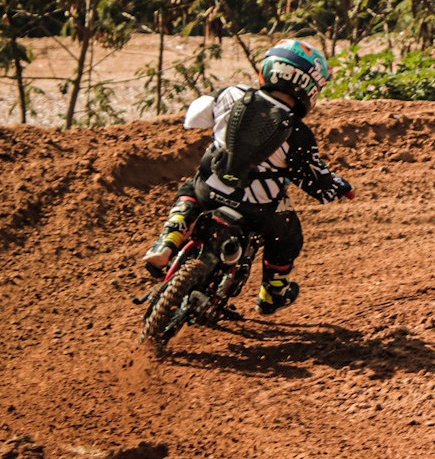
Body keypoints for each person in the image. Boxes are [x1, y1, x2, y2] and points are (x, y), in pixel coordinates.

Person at [141, 39, 354, 316]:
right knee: (289, 236)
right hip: (259, 209)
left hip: (211, 189)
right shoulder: (298, 134)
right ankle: (272, 293)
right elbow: (312, 179)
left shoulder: (231, 94)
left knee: (189, 190)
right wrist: (336, 185)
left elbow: (193, 118)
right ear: (309, 86)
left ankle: (167, 243)